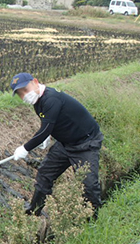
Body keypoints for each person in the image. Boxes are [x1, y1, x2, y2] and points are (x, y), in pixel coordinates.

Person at [10, 73, 104, 217]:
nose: (24, 95)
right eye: (20, 94)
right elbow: (49, 123)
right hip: (65, 144)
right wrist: (47, 135)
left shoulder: (51, 98)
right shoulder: (38, 101)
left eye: (25, 89)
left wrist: (25, 148)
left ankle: (93, 220)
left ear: (35, 82)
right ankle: (34, 211)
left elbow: (45, 129)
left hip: (86, 143)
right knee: (45, 174)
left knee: (89, 185)